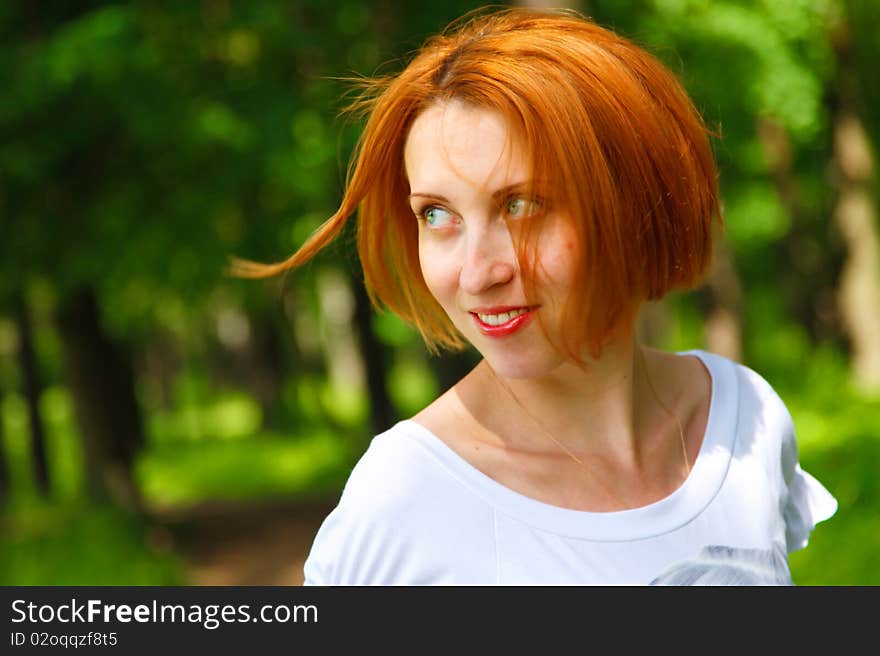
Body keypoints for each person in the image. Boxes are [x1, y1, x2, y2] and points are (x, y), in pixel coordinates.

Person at [232, 7, 837, 585]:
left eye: (520, 205)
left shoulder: (745, 420)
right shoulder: (406, 499)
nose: (476, 274)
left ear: (634, 203)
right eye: (437, 214)